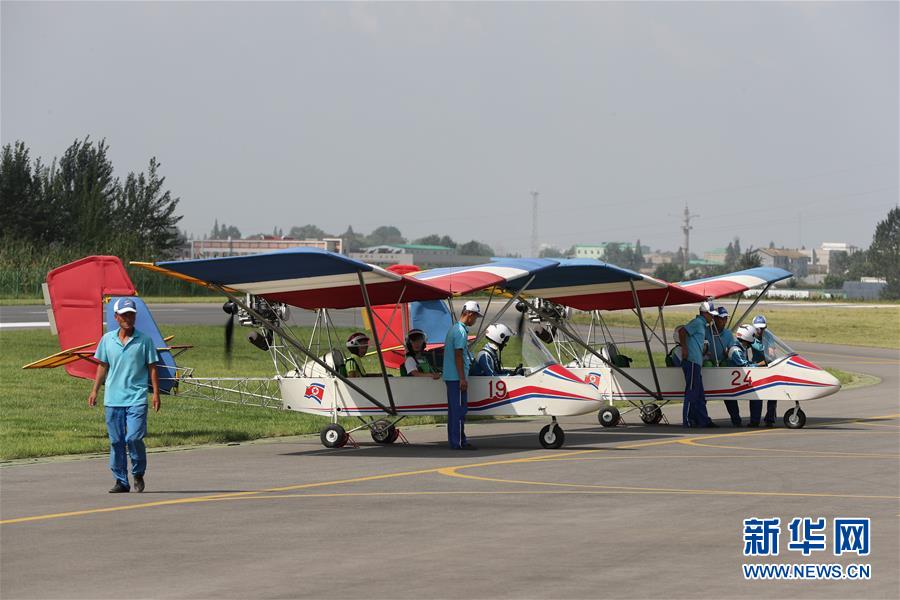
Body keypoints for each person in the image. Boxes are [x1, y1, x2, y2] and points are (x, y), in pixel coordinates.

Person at [88, 298, 160, 493]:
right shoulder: (107, 339)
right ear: (116, 317)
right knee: (116, 441)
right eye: (124, 314)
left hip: (136, 397)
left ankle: (137, 472)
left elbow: (152, 368)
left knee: (134, 437)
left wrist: (155, 394)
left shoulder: (144, 341)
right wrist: (95, 390)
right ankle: (121, 481)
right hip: (113, 399)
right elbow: (102, 366)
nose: (128, 318)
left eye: (131, 314)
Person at [442, 300, 482, 450]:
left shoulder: (457, 329)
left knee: (455, 411)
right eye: (476, 316)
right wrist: (462, 378)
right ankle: (458, 442)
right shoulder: (460, 331)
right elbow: (458, 355)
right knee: (458, 411)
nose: (475, 320)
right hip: (456, 378)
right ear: (469, 314)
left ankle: (457, 440)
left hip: (452, 377)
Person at [678, 301, 717, 428]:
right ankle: (687, 420)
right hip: (692, 362)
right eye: (711, 314)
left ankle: (702, 420)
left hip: (697, 362)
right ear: (704, 313)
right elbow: (682, 331)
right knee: (691, 392)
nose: (712, 317)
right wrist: (684, 348)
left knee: (699, 393)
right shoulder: (697, 323)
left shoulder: (702, 325)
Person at [724, 325, 763, 427]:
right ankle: (736, 421)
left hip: (739, 379)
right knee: (730, 400)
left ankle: (754, 421)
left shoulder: (742, 347)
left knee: (756, 396)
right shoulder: (735, 350)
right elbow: (744, 365)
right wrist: (760, 364)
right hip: (730, 381)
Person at [707, 307, 740, 426]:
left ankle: (736, 420)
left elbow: (733, 348)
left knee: (729, 395)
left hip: (722, 365)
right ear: (715, 319)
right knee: (703, 394)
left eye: (725, 319)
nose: (724, 321)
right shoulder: (706, 331)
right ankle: (702, 419)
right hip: (707, 366)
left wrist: (730, 352)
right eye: (722, 319)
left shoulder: (728, 334)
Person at [750, 315, 778, 427]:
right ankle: (754, 420)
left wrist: (771, 355)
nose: (760, 330)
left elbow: (771, 352)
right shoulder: (750, 335)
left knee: (772, 393)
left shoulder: (768, 336)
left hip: (768, 365)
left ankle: (770, 419)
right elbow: (742, 346)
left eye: (762, 328)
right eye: (758, 328)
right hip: (756, 367)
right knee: (756, 395)